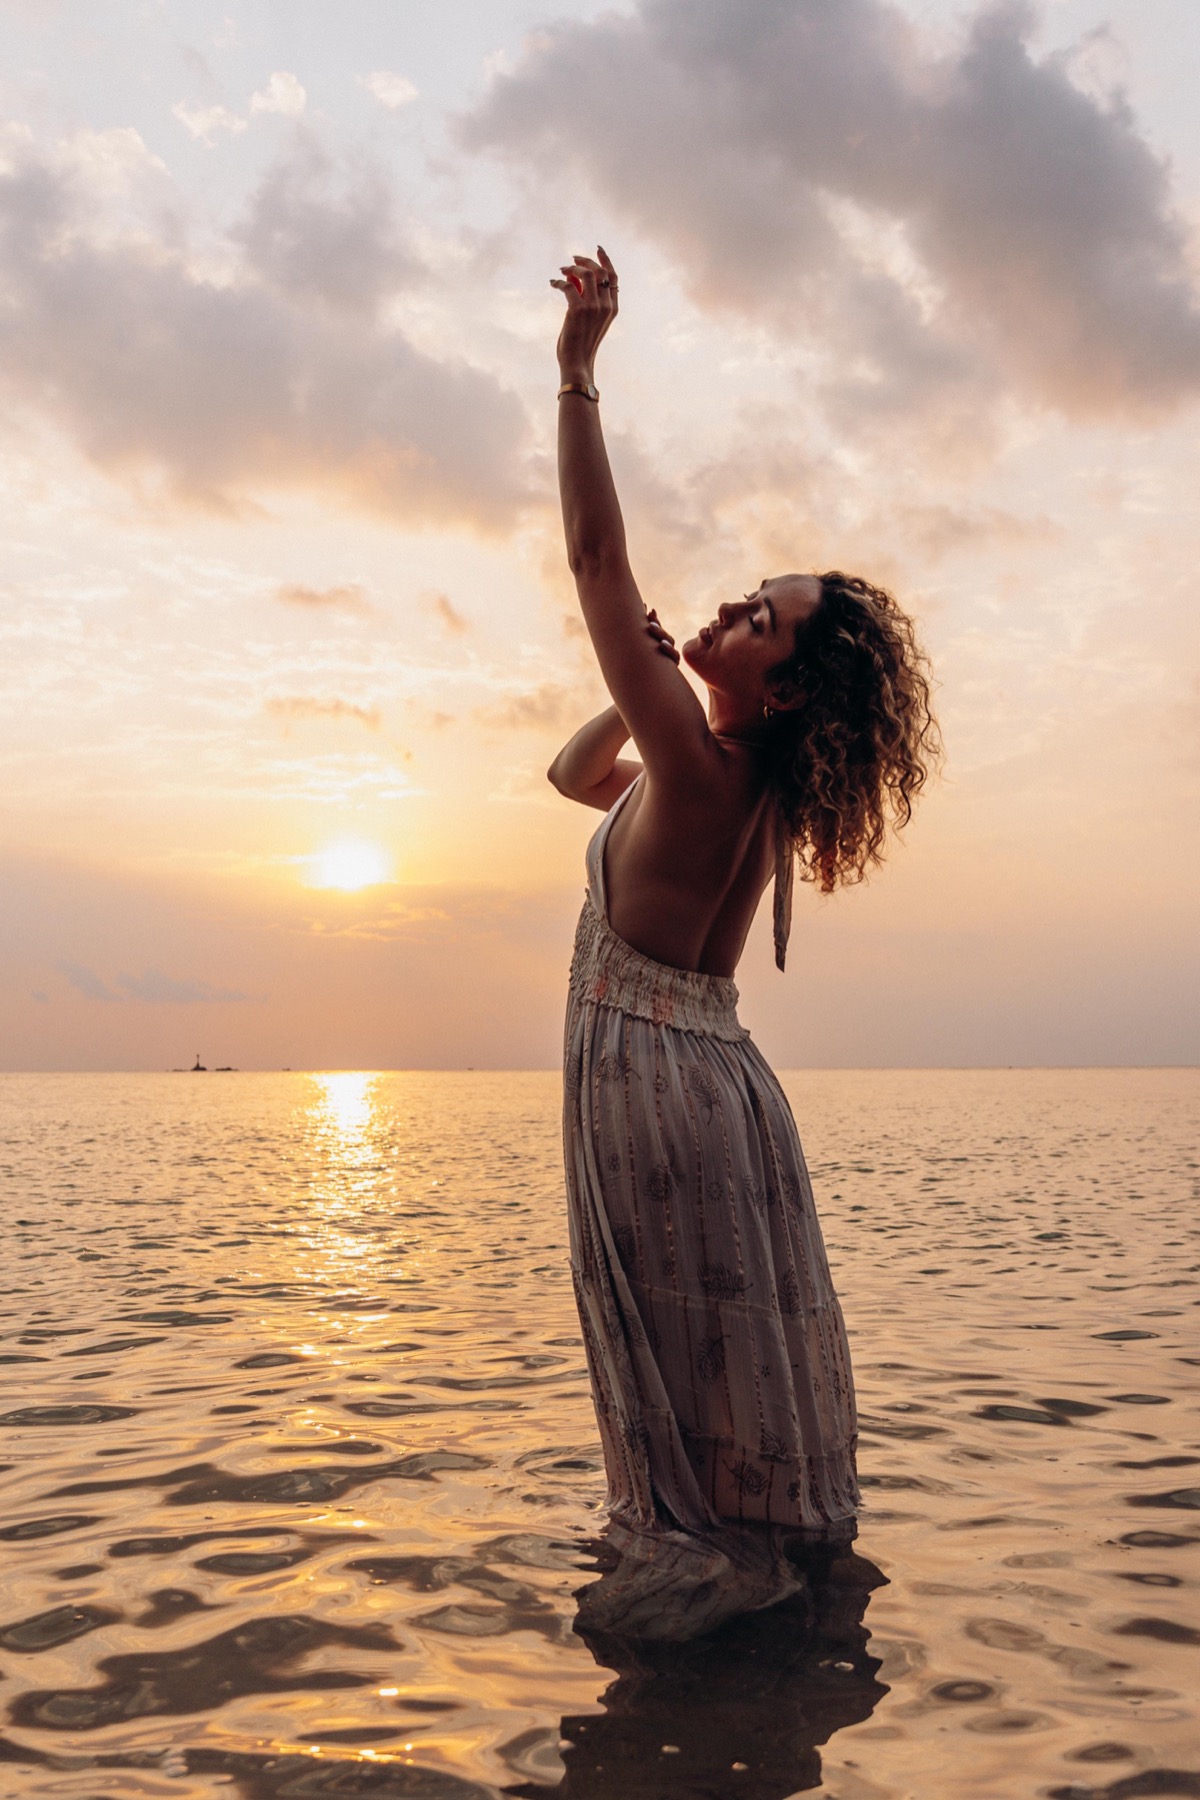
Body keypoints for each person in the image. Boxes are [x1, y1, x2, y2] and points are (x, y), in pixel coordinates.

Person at [549, 247, 938, 1640]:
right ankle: (772, 1629)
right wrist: (648, 673)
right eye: (746, 598)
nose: (730, 614)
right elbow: (571, 777)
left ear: (786, 682)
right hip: (715, 1083)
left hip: (646, 1084)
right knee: (711, 1359)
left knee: (664, 1354)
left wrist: (579, 373)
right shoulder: (733, 781)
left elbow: (595, 560)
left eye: (757, 623)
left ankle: (694, 1628)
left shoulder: (713, 768)